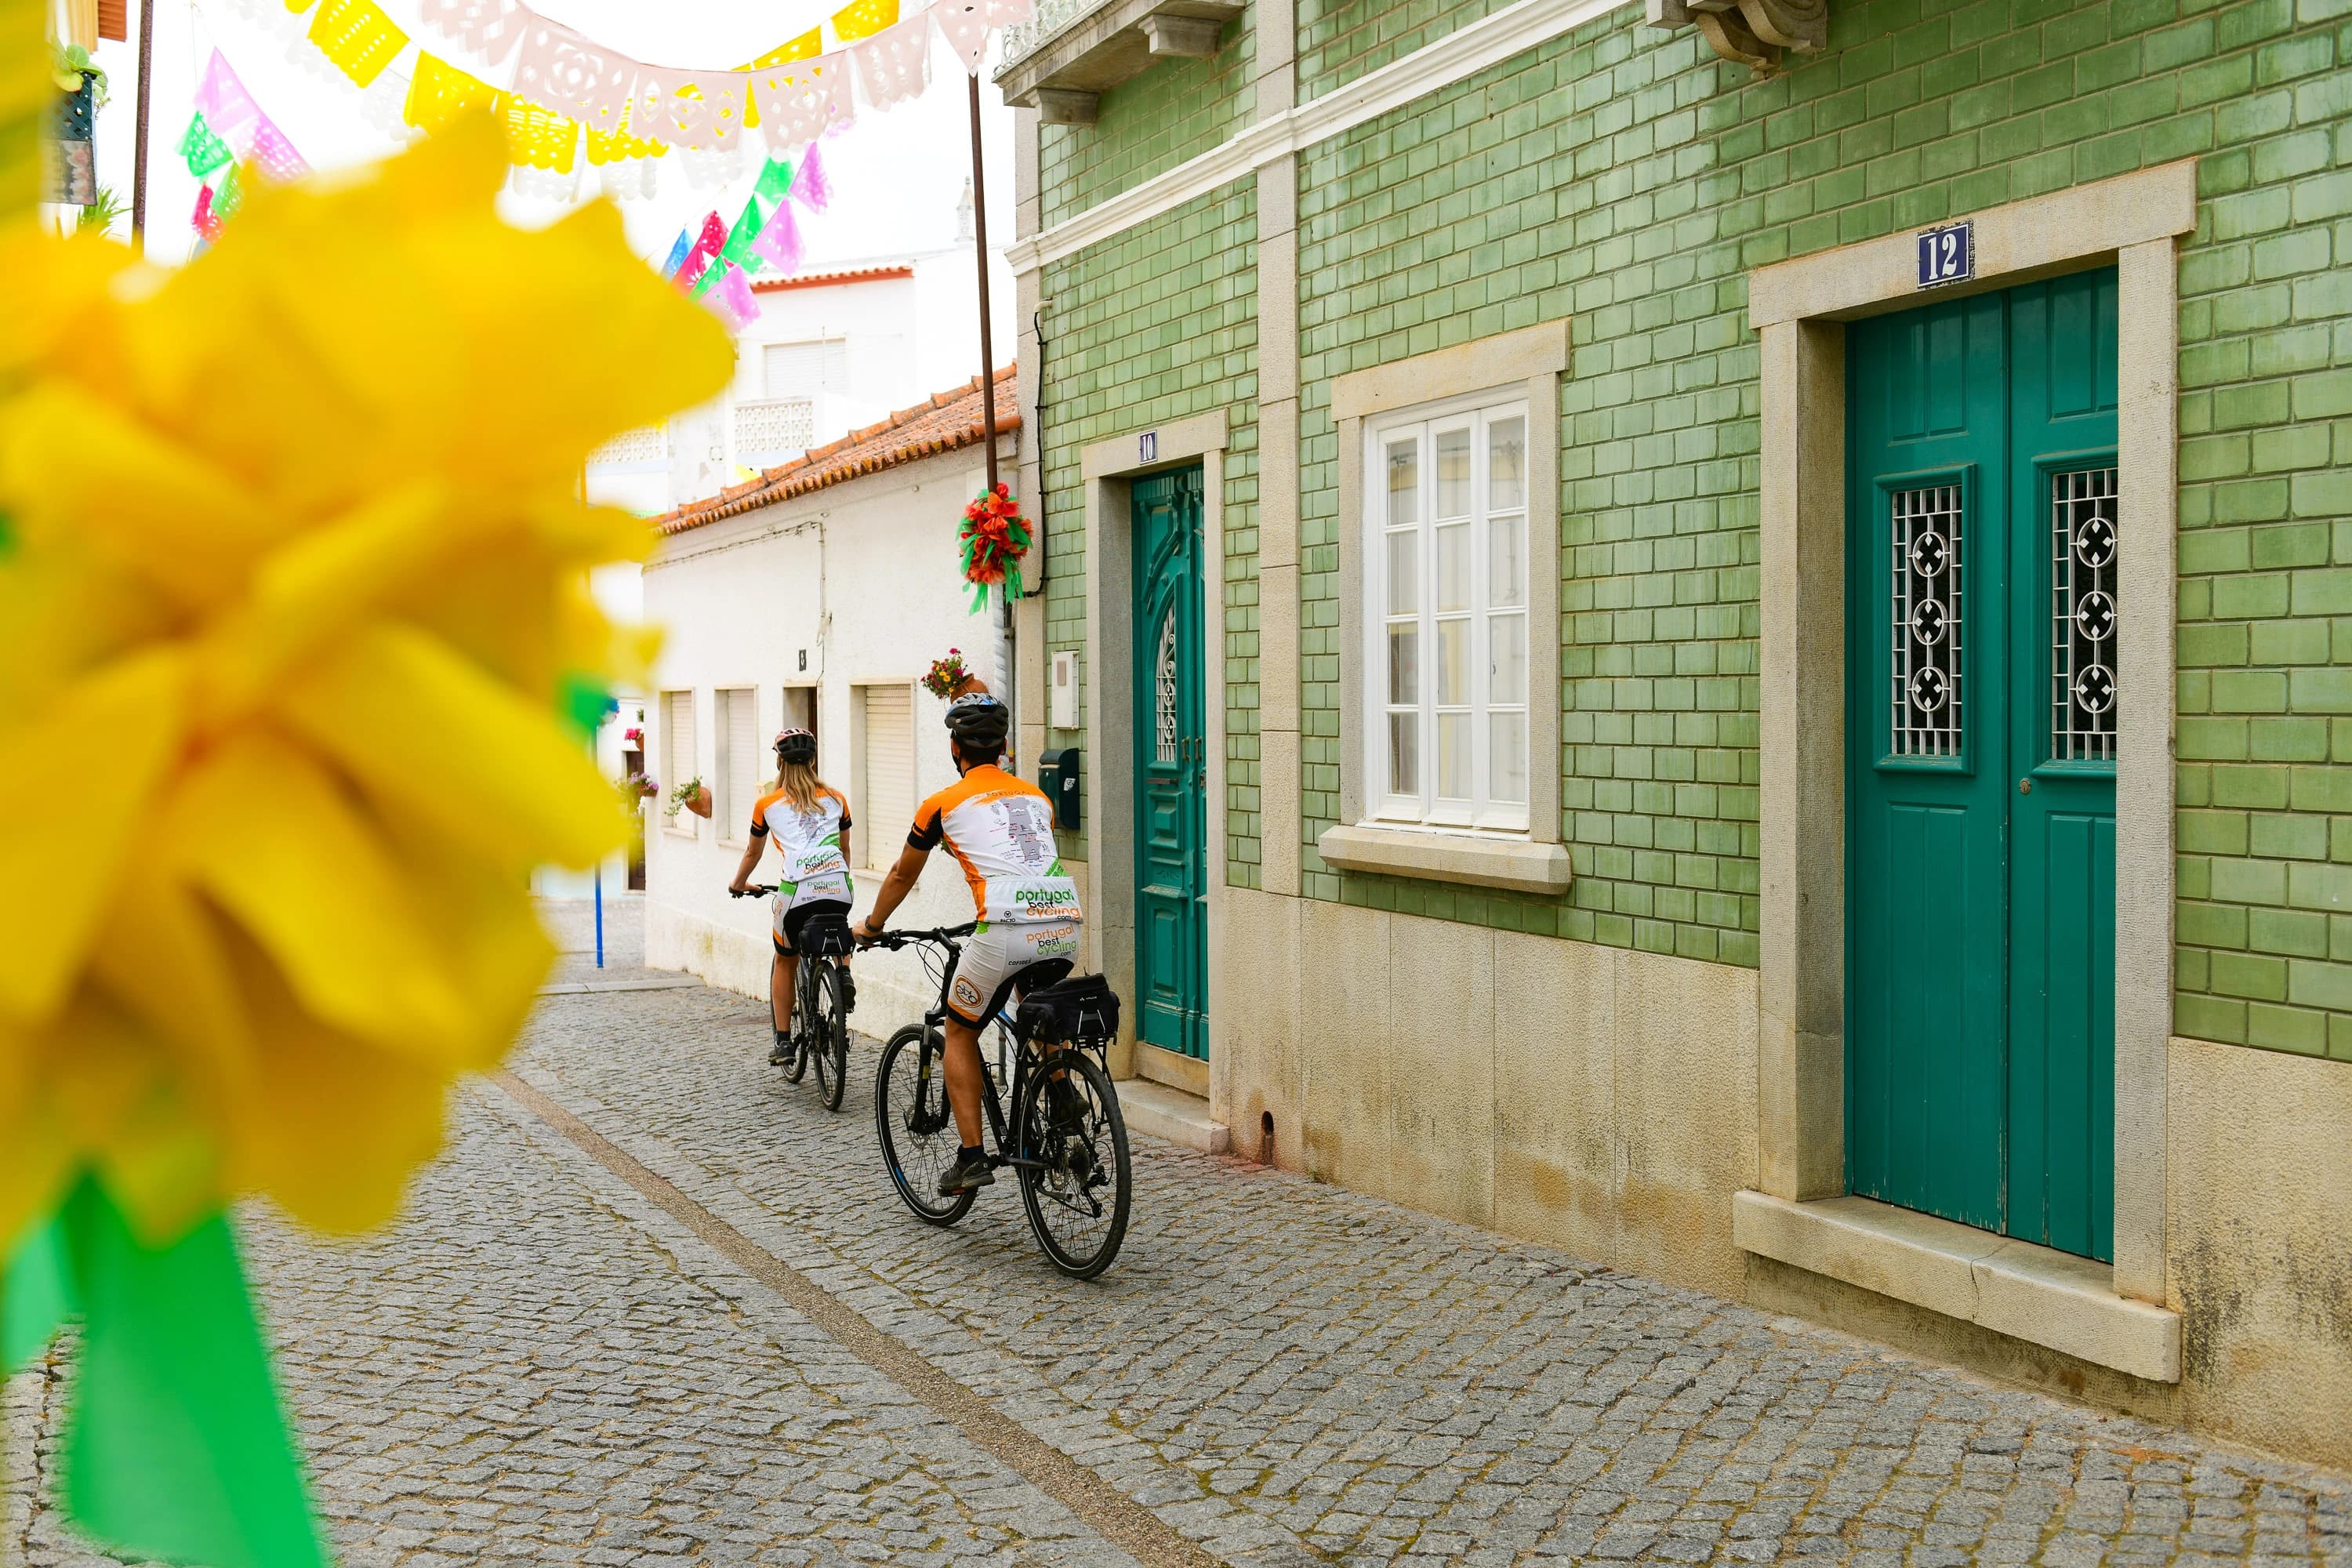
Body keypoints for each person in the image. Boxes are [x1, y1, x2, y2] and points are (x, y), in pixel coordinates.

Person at [858, 693, 1081, 1194]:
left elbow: (900, 875)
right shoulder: (1037, 799)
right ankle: (1064, 1097)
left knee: (959, 1032)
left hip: (1003, 926)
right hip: (1064, 920)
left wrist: (871, 926)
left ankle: (972, 1156)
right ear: (1003, 748)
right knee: (1033, 998)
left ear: (955, 748)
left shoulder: (940, 804)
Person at [728, 728, 855, 1064]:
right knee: (837, 928)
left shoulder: (767, 805)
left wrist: (739, 884)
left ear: (779, 762)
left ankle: (784, 1042)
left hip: (797, 890)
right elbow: (845, 850)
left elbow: (752, 854)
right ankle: (842, 974)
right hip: (839, 884)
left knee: (785, 960)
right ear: (814, 760)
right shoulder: (837, 799)